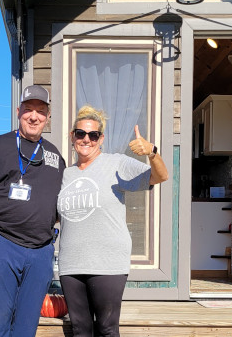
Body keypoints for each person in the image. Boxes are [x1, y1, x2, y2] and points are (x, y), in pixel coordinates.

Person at [0, 85, 65, 337]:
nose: (34, 116)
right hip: (2, 244)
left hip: (41, 251)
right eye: (28, 110)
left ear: (48, 116)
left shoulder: (55, 156)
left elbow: (63, 202)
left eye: (40, 111)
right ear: (19, 112)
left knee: (26, 326)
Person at [56, 105, 168, 337]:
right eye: (80, 134)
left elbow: (160, 176)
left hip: (106, 262)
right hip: (71, 263)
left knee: (107, 329)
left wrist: (152, 152)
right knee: (80, 330)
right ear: (72, 136)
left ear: (101, 138)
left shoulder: (115, 163)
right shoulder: (66, 174)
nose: (86, 139)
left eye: (93, 135)